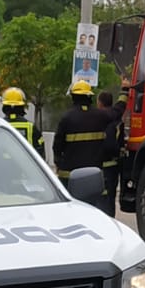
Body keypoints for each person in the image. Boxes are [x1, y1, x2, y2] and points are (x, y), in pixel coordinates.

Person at [52, 79, 119, 215]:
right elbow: (117, 112)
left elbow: (57, 145)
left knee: (69, 210)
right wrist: (124, 92)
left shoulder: (66, 118)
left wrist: (58, 162)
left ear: (73, 97)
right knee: (94, 210)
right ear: (90, 97)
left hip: (69, 175)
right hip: (93, 175)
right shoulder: (101, 116)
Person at [0, 87, 45, 160]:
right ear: (22, 106)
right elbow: (40, 150)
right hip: (26, 167)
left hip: (5, 167)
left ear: (4, 106)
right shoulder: (31, 127)